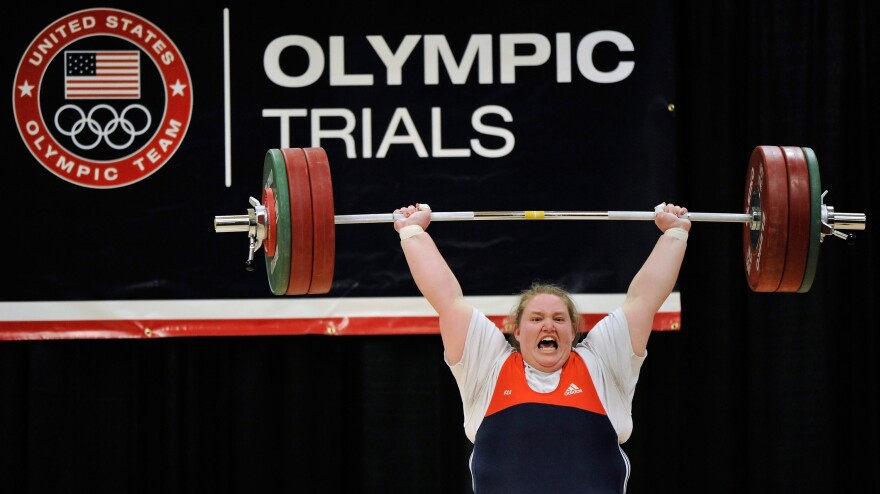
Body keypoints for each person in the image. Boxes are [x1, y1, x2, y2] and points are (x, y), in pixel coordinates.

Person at [393, 202, 691, 494]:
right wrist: (413, 232)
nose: (548, 326)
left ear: (574, 331)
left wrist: (674, 234)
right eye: (537, 318)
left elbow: (644, 299)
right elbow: (447, 299)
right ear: (517, 331)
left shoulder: (602, 362)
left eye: (559, 319)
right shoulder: (488, 368)